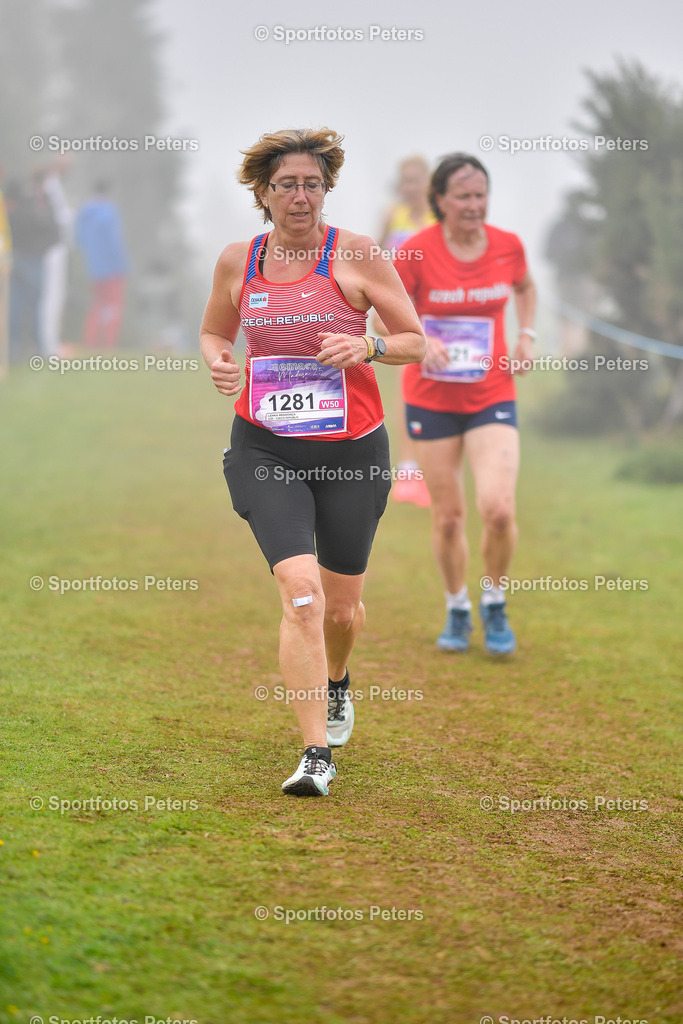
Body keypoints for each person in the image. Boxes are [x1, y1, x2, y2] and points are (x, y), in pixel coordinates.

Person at [200, 128, 425, 797]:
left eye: (311, 184)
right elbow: (216, 329)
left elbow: (415, 340)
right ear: (262, 194)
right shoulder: (239, 261)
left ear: (326, 189)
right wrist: (217, 357)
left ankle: (336, 682)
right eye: (286, 185)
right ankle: (313, 754)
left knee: (339, 611)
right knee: (302, 594)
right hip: (264, 446)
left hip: (352, 452)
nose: (300, 196)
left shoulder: (357, 254)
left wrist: (370, 349)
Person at [380, 153, 537, 655]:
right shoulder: (416, 251)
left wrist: (526, 335)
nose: (474, 205)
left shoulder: (508, 245)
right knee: (448, 516)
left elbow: (525, 286)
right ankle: (456, 606)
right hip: (431, 398)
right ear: (440, 201)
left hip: (491, 393)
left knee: (497, 508)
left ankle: (494, 600)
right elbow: (383, 319)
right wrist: (421, 336)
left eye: (480, 195)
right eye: (463, 197)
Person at [378, 156, 436, 508]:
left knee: (436, 391)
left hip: (437, 312)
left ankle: (430, 468)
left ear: (428, 182)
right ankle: (409, 472)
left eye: (416, 180)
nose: (410, 186)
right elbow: (375, 258)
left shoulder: (440, 217)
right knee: (410, 387)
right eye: (405, 180)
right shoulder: (392, 215)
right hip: (404, 312)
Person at [74, 181, 129, 349]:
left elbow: (79, 240)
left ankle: (90, 342)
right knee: (113, 307)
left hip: (93, 269)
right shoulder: (109, 212)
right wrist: (124, 265)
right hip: (113, 269)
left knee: (97, 307)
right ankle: (108, 345)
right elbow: (114, 242)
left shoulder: (84, 213)